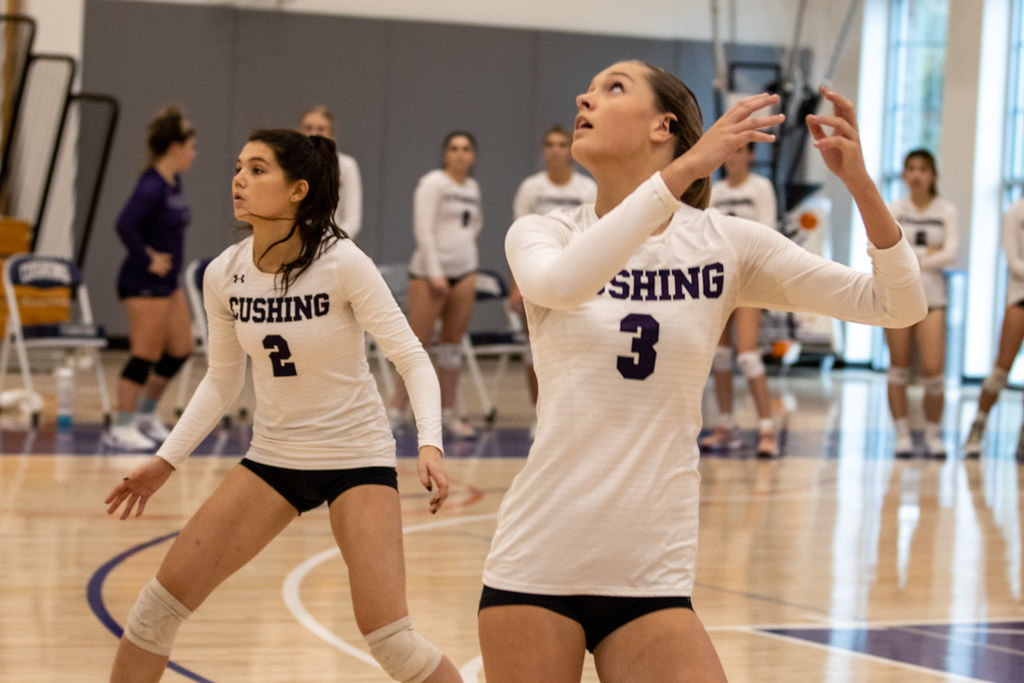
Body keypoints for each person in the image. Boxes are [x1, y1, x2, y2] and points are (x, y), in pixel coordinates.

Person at [477, 60, 926, 682]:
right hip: (537, 564)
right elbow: (560, 285)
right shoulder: (543, 231)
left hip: (651, 575)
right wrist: (683, 173)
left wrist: (862, 186)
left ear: (663, 126)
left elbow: (897, 305)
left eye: (612, 88)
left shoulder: (727, 243)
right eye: (590, 87)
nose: (584, 96)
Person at [104, 130, 461, 683]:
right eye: (238, 167)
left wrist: (430, 443)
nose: (239, 180)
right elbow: (222, 381)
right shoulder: (224, 273)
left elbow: (412, 358)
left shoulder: (342, 262)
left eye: (257, 169)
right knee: (153, 614)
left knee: (394, 644)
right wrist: (165, 461)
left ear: (297, 190)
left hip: (356, 458)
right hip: (274, 458)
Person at [106, 106, 197, 451]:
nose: (193, 153)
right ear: (175, 147)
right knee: (145, 353)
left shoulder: (174, 182)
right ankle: (121, 425)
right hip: (142, 282)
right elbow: (124, 223)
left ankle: (145, 414)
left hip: (168, 283)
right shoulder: (151, 185)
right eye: (191, 147)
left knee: (180, 349)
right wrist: (148, 257)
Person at [388, 131, 482, 439]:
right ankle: (397, 410)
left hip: (465, 271)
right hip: (429, 275)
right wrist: (436, 272)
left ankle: (448, 412)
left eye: (465, 149)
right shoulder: (432, 183)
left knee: (453, 346)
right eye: (453, 148)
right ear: (445, 154)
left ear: (473, 156)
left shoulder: (472, 187)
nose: (460, 154)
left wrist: (464, 257)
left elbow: (474, 224)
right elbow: (423, 228)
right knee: (418, 343)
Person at [510, 124, 597, 437]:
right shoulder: (530, 188)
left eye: (562, 144)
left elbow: (598, 235)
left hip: (579, 276)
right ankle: (541, 414)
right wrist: (516, 285)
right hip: (539, 274)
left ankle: (575, 415)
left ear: (571, 150)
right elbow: (518, 239)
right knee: (535, 348)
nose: (556, 150)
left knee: (580, 346)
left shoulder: (587, 188)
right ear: (544, 150)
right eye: (550, 144)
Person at [701, 142, 781, 457]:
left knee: (747, 355)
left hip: (749, 278)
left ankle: (767, 429)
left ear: (750, 155)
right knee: (720, 355)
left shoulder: (760, 187)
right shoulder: (716, 190)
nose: (732, 157)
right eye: (729, 151)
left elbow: (767, 233)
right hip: (719, 278)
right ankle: (726, 425)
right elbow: (704, 232)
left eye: (739, 151)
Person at [885, 149, 958, 458]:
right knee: (898, 367)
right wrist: (930, 253)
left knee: (933, 370)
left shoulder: (946, 210)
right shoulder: (894, 209)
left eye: (923, 169)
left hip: (933, 299)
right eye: (911, 168)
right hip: (898, 296)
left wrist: (910, 256)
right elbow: (883, 248)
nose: (917, 175)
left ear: (933, 175)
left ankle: (932, 434)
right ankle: (902, 434)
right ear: (904, 174)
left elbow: (952, 253)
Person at [964, 196, 1024, 457]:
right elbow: (1013, 261)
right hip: (1019, 296)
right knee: (1001, 369)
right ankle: (979, 422)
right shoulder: (1016, 211)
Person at [298, 105, 363, 239]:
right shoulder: (289, 164)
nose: (313, 134)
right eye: (308, 128)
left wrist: (331, 242)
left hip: (333, 241)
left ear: (331, 134)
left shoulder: (346, 166)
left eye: (321, 129)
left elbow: (352, 220)